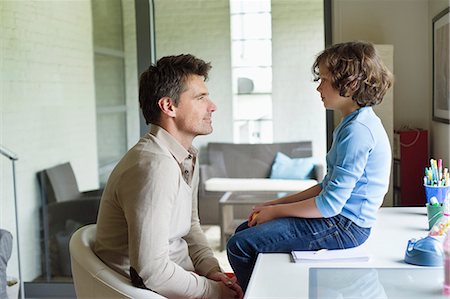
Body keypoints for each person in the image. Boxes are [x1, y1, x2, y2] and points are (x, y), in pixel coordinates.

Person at [227, 41, 394, 292]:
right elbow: (325, 187)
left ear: (350, 84)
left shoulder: (358, 131)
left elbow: (329, 205)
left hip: (345, 226)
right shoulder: (353, 124)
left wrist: (276, 212)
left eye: (324, 79)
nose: (319, 87)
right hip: (339, 219)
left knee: (239, 245)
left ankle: (265, 294)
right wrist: (274, 204)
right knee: (244, 229)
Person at [95, 54, 243, 299]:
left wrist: (212, 271)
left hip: (179, 280)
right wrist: (215, 292)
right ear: (169, 106)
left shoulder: (183, 155)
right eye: (200, 98)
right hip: (145, 293)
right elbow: (151, 271)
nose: (212, 106)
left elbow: (190, 227)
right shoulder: (154, 165)